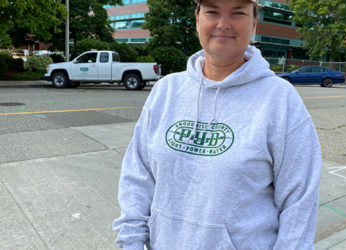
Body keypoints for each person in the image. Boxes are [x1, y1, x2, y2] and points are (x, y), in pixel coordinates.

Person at [112, 0, 322, 249]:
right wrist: (131, 243)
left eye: (237, 13)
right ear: (197, 19)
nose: (223, 24)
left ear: (254, 23)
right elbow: (138, 177)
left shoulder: (280, 100)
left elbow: (299, 202)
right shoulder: (166, 91)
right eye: (212, 11)